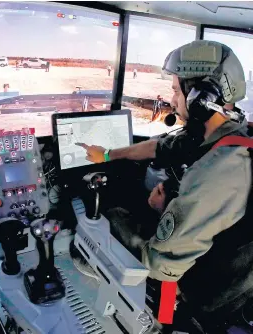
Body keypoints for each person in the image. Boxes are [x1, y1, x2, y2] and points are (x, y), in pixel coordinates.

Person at [76, 40, 251, 329]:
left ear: (200, 98)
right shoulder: (229, 133)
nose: (172, 100)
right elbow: (162, 147)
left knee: (109, 220)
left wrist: (163, 212)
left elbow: (161, 265)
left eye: (175, 90)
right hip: (217, 252)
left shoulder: (218, 170)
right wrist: (108, 154)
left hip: (209, 291)